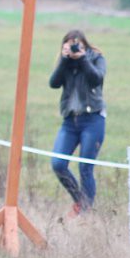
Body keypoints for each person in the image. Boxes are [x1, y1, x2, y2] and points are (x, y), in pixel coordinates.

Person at [48, 30, 107, 217]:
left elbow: (96, 79)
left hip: (92, 119)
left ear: (85, 44)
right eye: (70, 44)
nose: (74, 48)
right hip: (70, 120)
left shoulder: (96, 58)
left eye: (77, 44)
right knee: (58, 163)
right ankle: (80, 201)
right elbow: (54, 83)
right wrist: (65, 60)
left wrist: (82, 59)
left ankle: (86, 213)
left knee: (85, 168)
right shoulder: (65, 61)